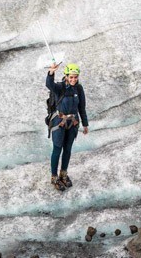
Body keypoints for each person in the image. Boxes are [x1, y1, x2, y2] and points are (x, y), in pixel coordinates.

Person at [46, 63, 89, 191]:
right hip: (59, 123)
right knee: (57, 149)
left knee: (68, 149)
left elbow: (81, 107)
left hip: (73, 123)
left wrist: (85, 124)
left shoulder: (79, 89)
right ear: (66, 76)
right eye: (71, 77)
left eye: (75, 77)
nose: (73, 80)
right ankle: (54, 177)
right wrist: (51, 72)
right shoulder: (59, 88)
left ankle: (63, 174)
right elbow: (49, 84)